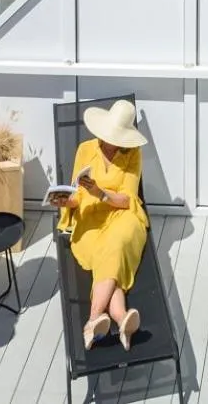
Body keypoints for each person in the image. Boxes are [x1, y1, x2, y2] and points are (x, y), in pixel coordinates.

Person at [57, 100, 149, 351]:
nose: (113, 141)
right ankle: (121, 319)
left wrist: (100, 192)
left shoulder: (133, 155)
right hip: (90, 219)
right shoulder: (85, 149)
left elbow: (126, 200)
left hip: (122, 214)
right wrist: (66, 201)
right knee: (111, 260)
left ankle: (93, 319)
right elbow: (76, 193)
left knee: (116, 245)